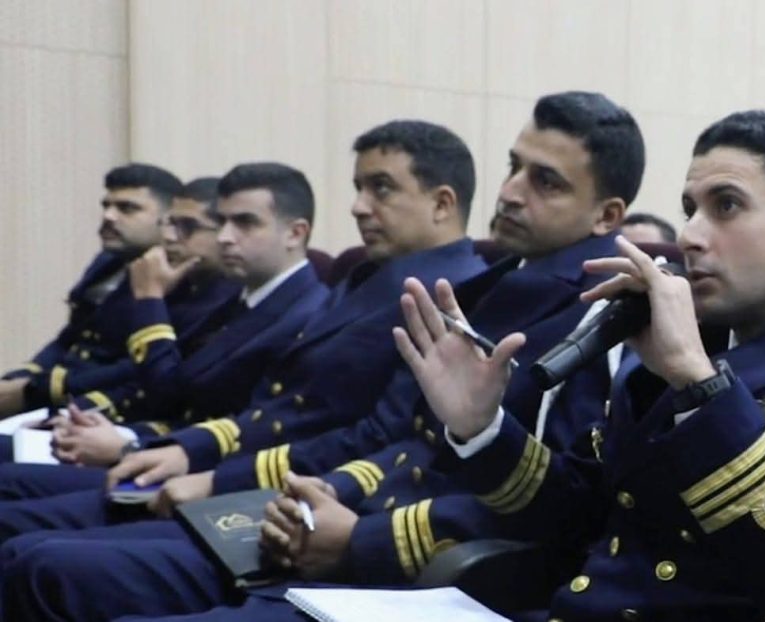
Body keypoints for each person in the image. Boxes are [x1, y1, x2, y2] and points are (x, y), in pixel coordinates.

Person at [1, 91, 645, 622]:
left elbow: (560, 507)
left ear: (606, 214)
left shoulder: (600, 320)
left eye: (545, 182)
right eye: (514, 167)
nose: (509, 192)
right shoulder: (490, 285)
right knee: (38, 563)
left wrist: (356, 534)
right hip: (340, 516)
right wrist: (328, 492)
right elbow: (407, 439)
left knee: (47, 568)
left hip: (423, 571)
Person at [393, 110, 765, 620]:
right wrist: (482, 429)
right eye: (690, 209)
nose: (689, 236)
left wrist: (701, 385)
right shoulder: (688, 343)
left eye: (727, 206)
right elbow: (579, 521)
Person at [0, 167, 330, 500]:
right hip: (157, 448)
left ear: (295, 234)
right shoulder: (243, 299)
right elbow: (169, 391)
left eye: (245, 223)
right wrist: (102, 427)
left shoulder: (307, 315)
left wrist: (128, 444)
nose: (225, 237)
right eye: (222, 222)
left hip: (199, 478)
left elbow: (237, 423)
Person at [0, 164, 183, 417]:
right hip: (53, 394)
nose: (109, 216)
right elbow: (70, 337)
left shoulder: (176, 278)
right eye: (106, 206)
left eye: (127, 208)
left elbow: (141, 367)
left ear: (169, 219)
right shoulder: (107, 262)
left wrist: (37, 389)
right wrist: (21, 376)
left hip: (104, 408)